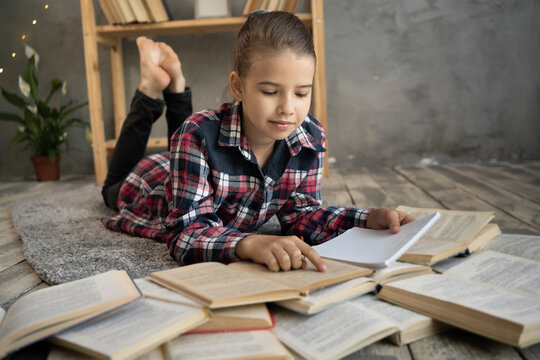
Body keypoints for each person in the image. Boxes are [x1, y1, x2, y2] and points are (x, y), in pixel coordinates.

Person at [102, 11, 414, 273]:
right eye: (269, 91)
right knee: (111, 186)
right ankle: (151, 89)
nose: (288, 108)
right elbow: (185, 234)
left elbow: (301, 215)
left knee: (185, 133)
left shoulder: (309, 136)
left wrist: (365, 219)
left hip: (191, 162)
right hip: (149, 183)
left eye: (302, 92)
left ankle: (175, 83)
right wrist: (247, 242)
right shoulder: (195, 134)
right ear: (238, 87)